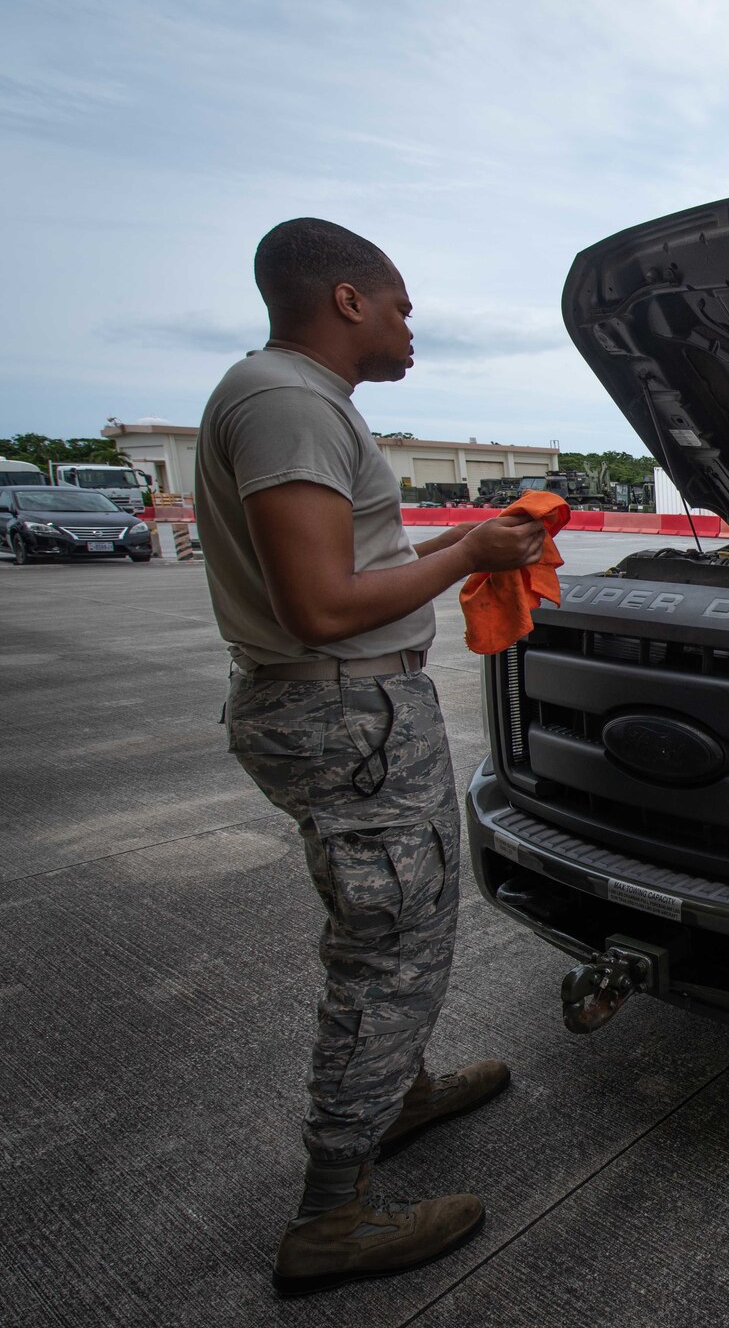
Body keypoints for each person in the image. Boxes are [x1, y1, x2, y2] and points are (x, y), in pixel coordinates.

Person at [195, 218, 547, 1294]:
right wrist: (469, 554)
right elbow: (319, 608)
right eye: (399, 307)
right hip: (344, 715)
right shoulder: (291, 401)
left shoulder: (290, 399)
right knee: (389, 948)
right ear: (346, 299)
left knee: (399, 924)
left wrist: (460, 547)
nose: (408, 329)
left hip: (350, 715)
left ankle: (395, 1096)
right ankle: (331, 1217)